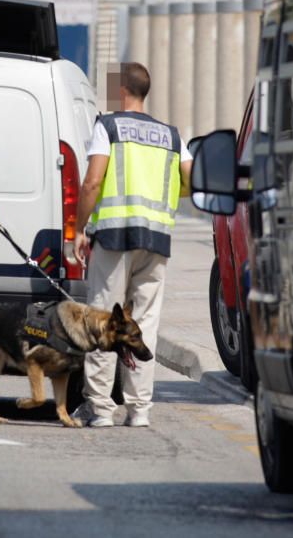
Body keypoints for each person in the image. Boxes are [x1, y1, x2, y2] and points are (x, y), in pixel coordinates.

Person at [72, 62, 192, 428]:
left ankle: (100, 408)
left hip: (113, 236)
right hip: (155, 239)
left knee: (104, 320)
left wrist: (78, 229)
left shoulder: (107, 127)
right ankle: (139, 409)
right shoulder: (172, 136)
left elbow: (92, 182)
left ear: (122, 90)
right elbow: (192, 180)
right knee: (145, 325)